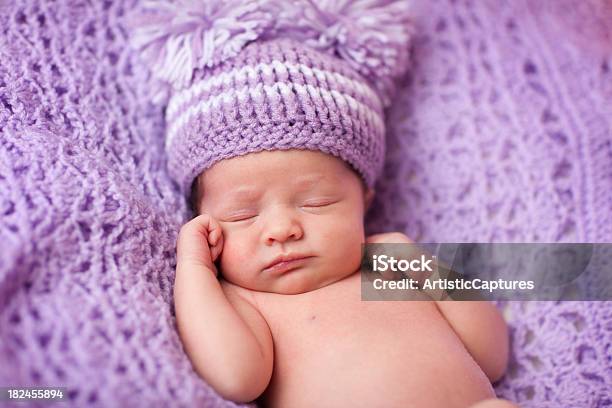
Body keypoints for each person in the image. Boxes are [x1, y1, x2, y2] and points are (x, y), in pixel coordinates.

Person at [128, 1, 521, 406]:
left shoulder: (388, 270)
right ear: (207, 225)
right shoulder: (249, 302)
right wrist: (194, 269)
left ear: (363, 202)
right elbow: (235, 378)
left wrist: (427, 270)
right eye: (242, 214)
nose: (282, 230)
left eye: (316, 203)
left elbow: (492, 359)